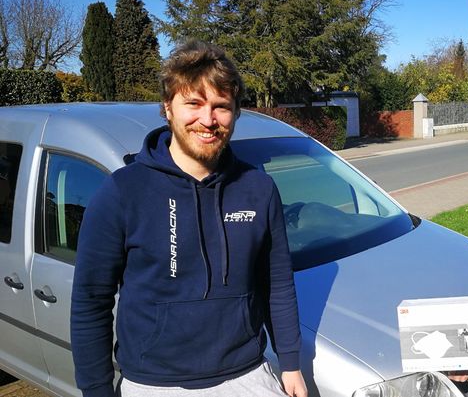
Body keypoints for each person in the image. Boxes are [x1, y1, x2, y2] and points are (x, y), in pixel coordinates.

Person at [71, 40, 307, 397]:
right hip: (153, 383)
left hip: (248, 376)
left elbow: (277, 282)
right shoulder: (121, 192)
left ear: (235, 112)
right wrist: (96, 391)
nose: (208, 120)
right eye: (193, 103)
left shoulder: (258, 189)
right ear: (168, 107)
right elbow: (91, 300)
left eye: (221, 107)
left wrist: (290, 364)